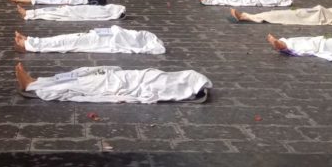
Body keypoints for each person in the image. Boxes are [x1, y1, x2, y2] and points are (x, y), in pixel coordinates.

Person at [15, 63, 211, 104]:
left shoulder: (174, 86)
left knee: (83, 85)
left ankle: (32, 86)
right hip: (135, 76)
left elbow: (149, 91)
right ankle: (38, 81)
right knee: (82, 77)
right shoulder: (172, 77)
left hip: (124, 84)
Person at [14, 26, 165, 54]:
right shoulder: (144, 36)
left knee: (65, 42)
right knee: (65, 39)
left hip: (98, 41)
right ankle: (32, 40)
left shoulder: (141, 40)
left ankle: (30, 44)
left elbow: (122, 40)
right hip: (96, 36)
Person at [229, 5, 332, 26]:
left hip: (299, 16)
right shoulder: (321, 10)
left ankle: (245, 16)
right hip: (300, 12)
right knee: (275, 14)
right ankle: (246, 16)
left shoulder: (324, 15)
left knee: (277, 16)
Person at [16, 3, 126, 21]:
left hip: (76, 12)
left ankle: (29, 14)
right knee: (55, 11)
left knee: (55, 13)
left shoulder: (107, 13)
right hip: (78, 10)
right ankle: (30, 13)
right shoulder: (107, 9)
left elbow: (90, 14)